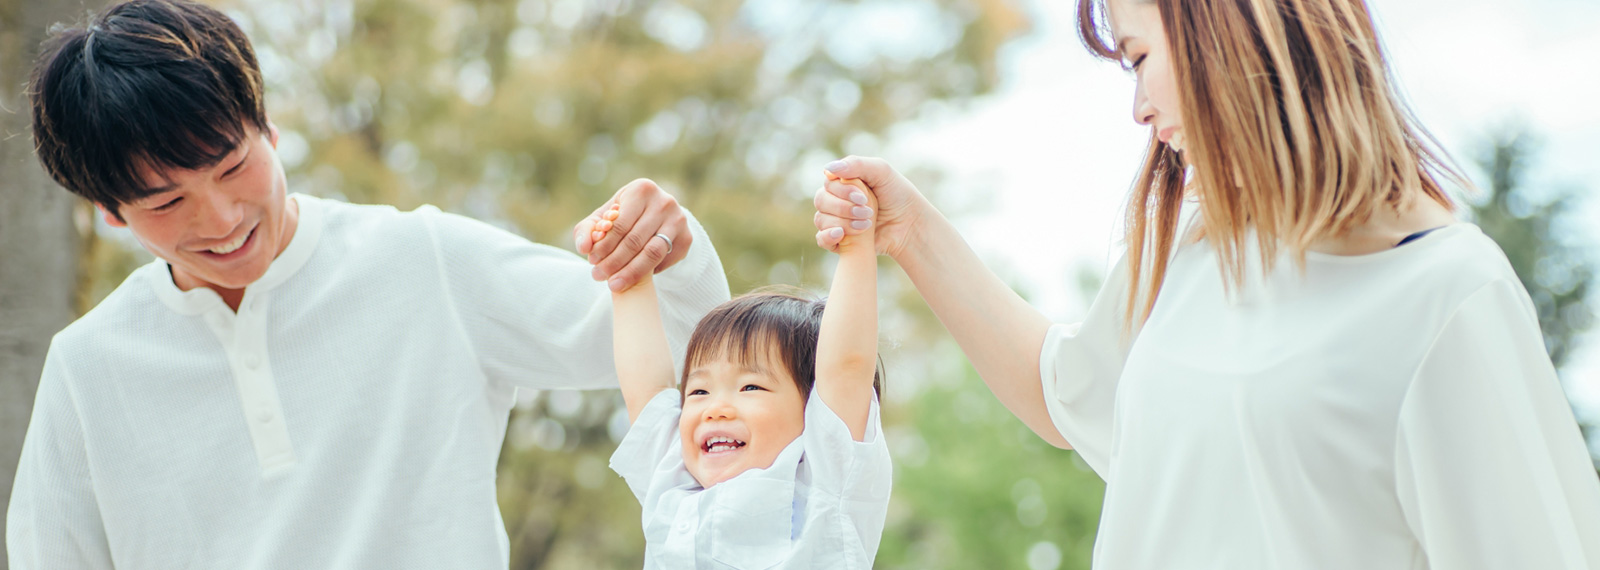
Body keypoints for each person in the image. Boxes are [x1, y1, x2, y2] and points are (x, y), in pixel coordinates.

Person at [811, 0, 1600, 568]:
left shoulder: (1448, 292)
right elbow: (1065, 395)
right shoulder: (1195, 250)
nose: (1137, 108)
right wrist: (910, 233)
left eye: (1140, 58)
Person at [6, 1, 730, 568]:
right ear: (108, 212)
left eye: (232, 167)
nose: (221, 219)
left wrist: (668, 245)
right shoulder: (89, 367)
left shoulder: (423, 261)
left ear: (269, 127)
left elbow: (690, 357)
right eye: (166, 203)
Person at [597, 175, 892, 569]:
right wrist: (627, 272)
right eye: (698, 392)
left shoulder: (824, 484)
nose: (715, 409)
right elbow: (645, 386)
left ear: (813, 413)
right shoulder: (673, 479)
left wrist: (856, 243)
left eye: (750, 386)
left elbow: (847, 367)